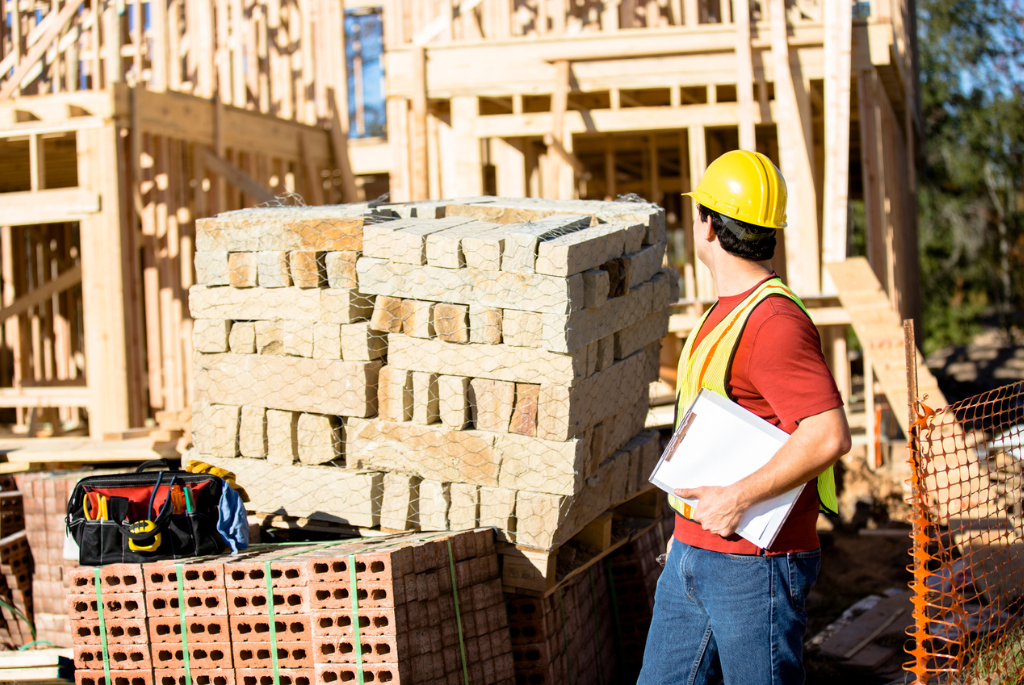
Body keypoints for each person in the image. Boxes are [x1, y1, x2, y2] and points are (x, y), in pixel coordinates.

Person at [637, 150, 852, 685]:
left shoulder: (774, 321)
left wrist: (736, 498)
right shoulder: (724, 312)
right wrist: (684, 530)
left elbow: (828, 434)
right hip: (695, 549)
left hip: (757, 564)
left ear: (707, 225)